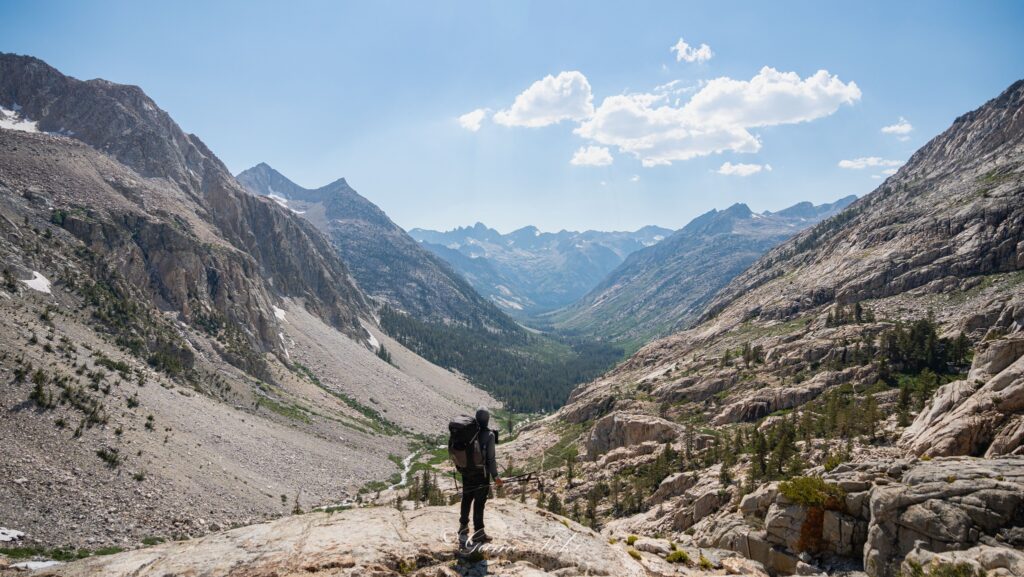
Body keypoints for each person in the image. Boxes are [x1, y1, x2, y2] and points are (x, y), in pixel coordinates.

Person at [459, 407, 503, 543]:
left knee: (466, 498)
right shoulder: (489, 435)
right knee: (479, 503)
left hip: (466, 472)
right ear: (487, 419)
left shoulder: (468, 432)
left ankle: (463, 527)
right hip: (481, 474)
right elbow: (490, 459)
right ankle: (478, 533)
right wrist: (496, 477)